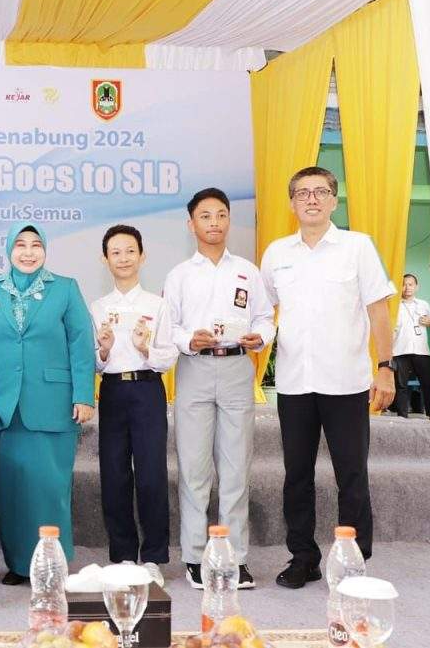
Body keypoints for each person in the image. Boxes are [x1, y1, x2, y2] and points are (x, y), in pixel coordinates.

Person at [260, 166, 395, 589]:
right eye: (302, 193)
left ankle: (353, 560)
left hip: (346, 382)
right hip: (295, 383)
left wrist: (386, 366)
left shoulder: (357, 247)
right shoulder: (277, 253)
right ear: (292, 203)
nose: (312, 199)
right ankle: (303, 558)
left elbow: (378, 309)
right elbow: (264, 312)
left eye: (321, 191)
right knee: (296, 476)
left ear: (335, 200)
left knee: (351, 475)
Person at [0, 222, 95, 586]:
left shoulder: (65, 288)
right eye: (21, 245)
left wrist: (83, 395)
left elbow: (80, 344)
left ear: (44, 249)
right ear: (9, 250)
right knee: (14, 489)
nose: (28, 252)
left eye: (35, 245)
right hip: (6, 405)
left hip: (54, 403)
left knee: (50, 488)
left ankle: (53, 565)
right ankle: (19, 564)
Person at [163, 189, 276, 590]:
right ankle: (195, 557)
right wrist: (187, 340)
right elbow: (170, 326)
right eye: (205, 215)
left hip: (236, 369)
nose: (214, 222)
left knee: (235, 469)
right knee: (194, 469)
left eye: (221, 215)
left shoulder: (247, 271)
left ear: (229, 220)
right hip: (194, 368)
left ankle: (234, 557)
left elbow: (265, 318)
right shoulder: (179, 275)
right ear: (191, 223)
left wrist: (260, 338)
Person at [90, 224, 178, 587]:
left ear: (142, 256)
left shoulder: (157, 305)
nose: (123, 258)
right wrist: (105, 349)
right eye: (116, 252)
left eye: (130, 251)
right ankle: (123, 554)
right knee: (114, 474)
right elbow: (94, 363)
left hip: (147, 390)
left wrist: (145, 348)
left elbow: (168, 357)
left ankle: (154, 556)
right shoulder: (98, 307)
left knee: (151, 473)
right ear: (105, 259)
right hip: (112, 392)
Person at [392, 273, 430, 419]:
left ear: (416, 287)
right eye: (404, 284)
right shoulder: (394, 305)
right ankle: (402, 417)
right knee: (401, 385)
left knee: (428, 383)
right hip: (400, 350)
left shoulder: (424, 305)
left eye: (410, 284)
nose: (407, 288)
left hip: (421, 350)